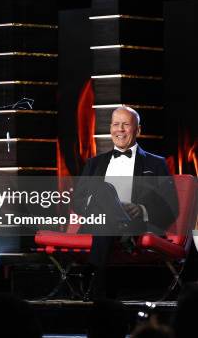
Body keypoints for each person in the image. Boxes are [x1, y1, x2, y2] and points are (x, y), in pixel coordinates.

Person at [75, 106, 178, 299]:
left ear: (138, 130)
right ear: (110, 129)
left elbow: (171, 207)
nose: (119, 129)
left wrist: (141, 209)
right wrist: (101, 203)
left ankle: (93, 276)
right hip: (104, 225)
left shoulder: (156, 164)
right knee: (104, 191)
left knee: (105, 214)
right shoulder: (94, 164)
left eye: (125, 124)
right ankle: (121, 223)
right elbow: (78, 202)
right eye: (115, 124)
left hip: (137, 224)